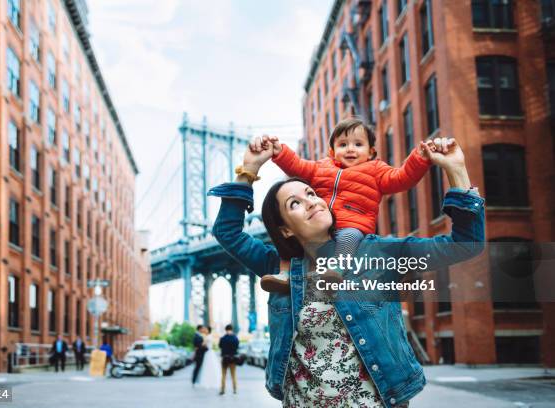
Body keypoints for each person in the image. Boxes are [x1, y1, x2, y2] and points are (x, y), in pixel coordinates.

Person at [208, 137, 485, 407]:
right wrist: (249, 168)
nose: (311, 202)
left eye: (311, 194)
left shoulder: (377, 254)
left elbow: (465, 245)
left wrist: (456, 170)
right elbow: (227, 232)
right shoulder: (278, 267)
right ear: (285, 229)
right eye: (294, 204)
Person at [258, 117, 433, 293]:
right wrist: (280, 153)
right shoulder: (321, 167)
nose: (350, 149)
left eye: (358, 144)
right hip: (323, 224)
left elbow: (402, 178)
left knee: (348, 237)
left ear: (371, 152)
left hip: (353, 224)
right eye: (343, 145)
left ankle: (335, 271)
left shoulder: (376, 170)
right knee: (294, 242)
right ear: (332, 151)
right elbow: (298, 166)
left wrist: (419, 159)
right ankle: (284, 275)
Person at [194, 326, 220, 390]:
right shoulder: (209, 336)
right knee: (210, 367)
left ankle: (208, 381)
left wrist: (198, 346)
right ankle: (210, 381)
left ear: (208, 330)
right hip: (209, 353)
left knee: (208, 367)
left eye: (205, 329)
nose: (204, 330)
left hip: (208, 353)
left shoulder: (208, 337)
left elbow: (203, 344)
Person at [218, 324, 239, 395]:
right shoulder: (235, 338)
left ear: (225, 330)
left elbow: (220, 346)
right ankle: (235, 389)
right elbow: (237, 347)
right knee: (233, 375)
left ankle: (222, 390)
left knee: (223, 375)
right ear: (232, 329)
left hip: (225, 358)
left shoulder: (223, 338)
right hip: (233, 358)